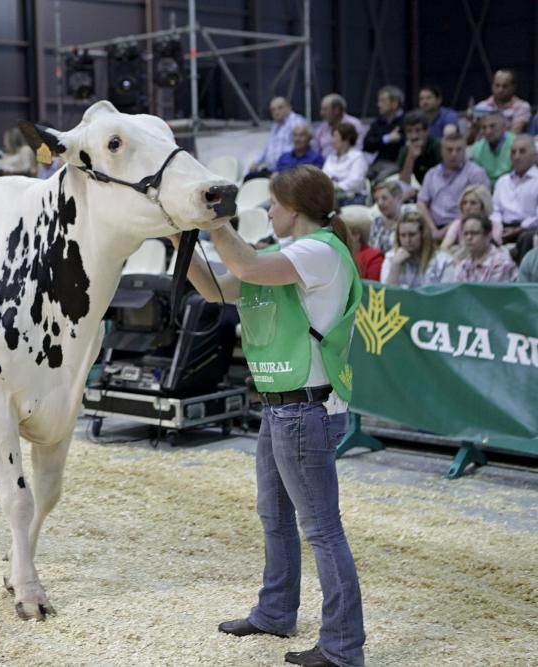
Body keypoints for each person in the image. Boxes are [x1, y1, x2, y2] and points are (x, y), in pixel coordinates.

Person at [173, 165, 366, 667]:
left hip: (307, 406)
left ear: (294, 208)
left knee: (322, 528)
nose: (268, 212)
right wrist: (181, 239)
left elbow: (249, 267)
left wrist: (215, 220)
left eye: (273, 205)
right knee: (275, 516)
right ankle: (276, 612)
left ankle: (343, 648)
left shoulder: (319, 250)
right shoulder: (283, 256)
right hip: (281, 404)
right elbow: (219, 287)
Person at [417, 133, 490, 240]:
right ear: (441, 151)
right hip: (432, 228)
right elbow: (421, 203)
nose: (454, 154)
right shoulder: (432, 174)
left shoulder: (476, 174)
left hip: (463, 229)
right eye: (449, 150)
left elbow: (482, 208)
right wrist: (433, 230)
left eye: (458, 149)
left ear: (465, 150)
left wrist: (445, 231)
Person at [381, 211, 453, 287]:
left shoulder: (443, 261)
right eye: (403, 235)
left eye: (412, 235)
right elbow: (386, 295)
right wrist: (395, 267)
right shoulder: (391, 258)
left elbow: (447, 295)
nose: (407, 240)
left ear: (423, 235)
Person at [490, 135, 538, 247]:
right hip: (503, 227)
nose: (517, 156)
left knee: (526, 238)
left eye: (522, 152)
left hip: (528, 228)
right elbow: (495, 210)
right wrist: (498, 227)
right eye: (513, 152)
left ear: (535, 156)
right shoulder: (502, 181)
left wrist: (519, 229)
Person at [245, 96, 306, 179]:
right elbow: (267, 149)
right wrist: (255, 163)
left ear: (289, 107)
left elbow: (300, 150)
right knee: (248, 177)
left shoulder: (297, 122)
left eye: (280, 108)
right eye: (273, 110)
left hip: (288, 170)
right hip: (272, 170)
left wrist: (282, 169)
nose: (276, 112)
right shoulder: (276, 126)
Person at [451, 215, 518, 282]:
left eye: (474, 233)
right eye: (466, 234)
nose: (469, 238)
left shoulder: (502, 262)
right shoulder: (463, 265)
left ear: (488, 236)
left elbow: (492, 292)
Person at [471, 69, 531, 135]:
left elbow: (513, 135)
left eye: (505, 86)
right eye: (497, 85)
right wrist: (473, 126)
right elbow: (469, 140)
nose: (500, 90)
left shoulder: (522, 107)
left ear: (513, 87)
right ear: (492, 86)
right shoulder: (480, 107)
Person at [440, 185, 497, 254]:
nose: (467, 207)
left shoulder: (494, 225)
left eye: (473, 203)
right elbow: (443, 248)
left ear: (483, 206)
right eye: (464, 203)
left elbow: (493, 248)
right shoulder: (457, 224)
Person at [363, 86, 405, 181]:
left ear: (394, 103)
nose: (378, 105)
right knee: (362, 180)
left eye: (382, 101)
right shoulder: (379, 122)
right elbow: (367, 145)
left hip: (397, 163)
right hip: (378, 162)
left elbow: (402, 144)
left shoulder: (406, 121)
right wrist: (387, 138)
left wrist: (379, 142)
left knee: (379, 182)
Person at [322, 123, 368, 206]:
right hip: (333, 195)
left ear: (346, 139)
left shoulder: (357, 157)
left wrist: (336, 186)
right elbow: (324, 176)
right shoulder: (331, 157)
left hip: (352, 197)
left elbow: (355, 181)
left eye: (335, 137)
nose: (333, 140)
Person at [397, 111, 441, 194]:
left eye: (418, 130)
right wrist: (411, 157)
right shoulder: (405, 151)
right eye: (409, 131)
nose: (414, 136)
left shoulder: (438, 147)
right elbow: (404, 183)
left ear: (427, 130)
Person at [312, 93, 367, 159]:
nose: (321, 113)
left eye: (325, 109)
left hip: (348, 164)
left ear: (336, 110)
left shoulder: (354, 125)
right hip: (324, 165)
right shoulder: (322, 127)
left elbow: (358, 149)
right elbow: (315, 149)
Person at [469, 111, 515, 187]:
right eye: (484, 127)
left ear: (504, 126)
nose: (488, 131)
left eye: (492, 126)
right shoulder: (477, 148)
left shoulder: (516, 144)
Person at [341, 209, 384, 280]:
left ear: (356, 235)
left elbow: (371, 287)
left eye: (343, 232)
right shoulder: (340, 253)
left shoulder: (374, 258)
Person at [369, 181, 403, 253]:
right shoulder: (375, 222)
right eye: (377, 200)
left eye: (384, 198)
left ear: (398, 198)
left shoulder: (408, 222)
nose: (379, 203)